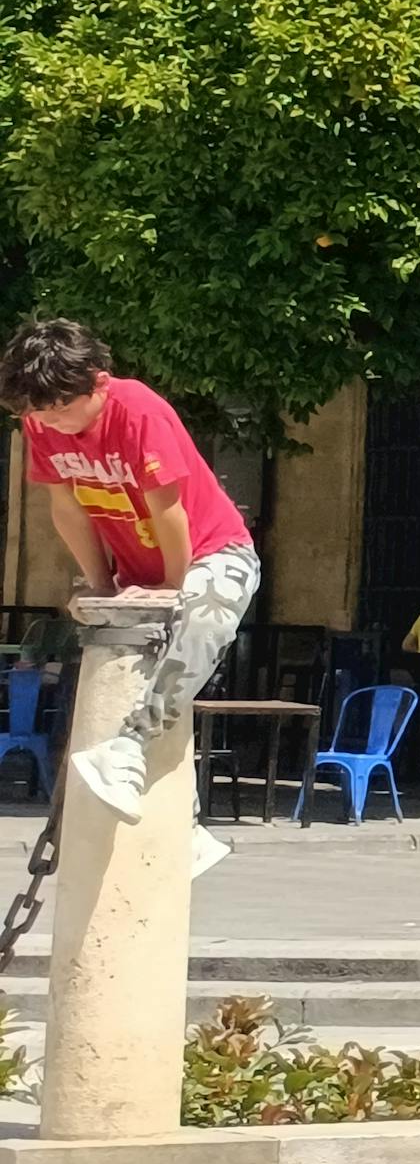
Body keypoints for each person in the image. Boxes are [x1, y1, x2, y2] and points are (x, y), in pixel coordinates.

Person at [8, 316, 259, 989]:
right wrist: (98, 583)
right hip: (132, 565)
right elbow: (67, 509)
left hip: (210, 554)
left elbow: (169, 510)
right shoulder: (41, 425)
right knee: (141, 648)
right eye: (39, 411)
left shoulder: (137, 408)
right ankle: (189, 828)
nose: (53, 423)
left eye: (63, 407)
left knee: (201, 622)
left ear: (95, 382)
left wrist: (173, 592)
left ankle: (131, 745)